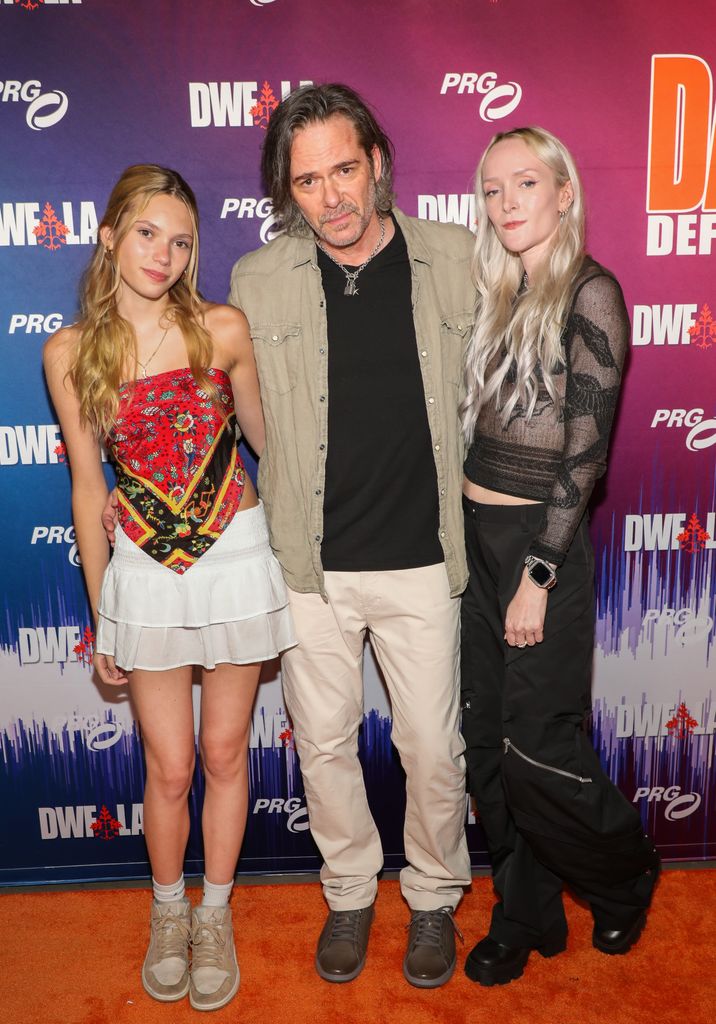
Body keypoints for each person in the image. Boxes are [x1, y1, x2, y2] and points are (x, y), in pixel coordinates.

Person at [228, 84, 475, 988]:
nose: (331, 197)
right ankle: (348, 891)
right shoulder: (258, 280)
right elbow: (244, 414)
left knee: (432, 749)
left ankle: (435, 895)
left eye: (343, 170)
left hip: (423, 557)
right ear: (286, 190)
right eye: (307, 181)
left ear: (376, 161)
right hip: (311, 564)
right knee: (324, 743)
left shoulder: (453, 257)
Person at [44, 164, 295, 1012]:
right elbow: (88, 488)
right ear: (110, 236)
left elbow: (267, 440)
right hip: (145, 576)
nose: (164, 254)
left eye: (181, 241)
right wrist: (103, 616)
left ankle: (214, 916)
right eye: (148, 234)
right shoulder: (70, 353)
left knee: (224, 753)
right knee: (172, 764)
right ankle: (167, 912)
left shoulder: (223, 328)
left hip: (236, 559)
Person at [459, 127, 660, 987]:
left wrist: (538, 573)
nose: (506, 202)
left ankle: (624, 874)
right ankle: (525, 914)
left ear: (565, 192)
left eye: (526, 183)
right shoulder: (499, 290)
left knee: (538, 746)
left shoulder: (592, 291)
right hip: (475, 542)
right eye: (492, 189)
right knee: (487, 744)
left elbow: (585, 455)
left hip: (542, 547)